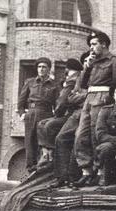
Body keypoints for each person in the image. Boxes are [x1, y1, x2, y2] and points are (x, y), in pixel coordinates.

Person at [73, 31, 116, 187]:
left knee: (95, 135)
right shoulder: (92, 62)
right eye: (90, 45)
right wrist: (87, 67)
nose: (91, 48)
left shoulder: (114, 61)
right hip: (89, 99)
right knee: (80, 135)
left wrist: (108, 101)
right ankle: (86, 171)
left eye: (94, 44)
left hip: (103, 98)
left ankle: (99, 172)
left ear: (103, 44)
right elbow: (83, 85)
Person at [50, 51, 91, 188]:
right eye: (85, 62)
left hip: (93, 112)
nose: (87, 64)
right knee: (61, 138)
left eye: (89, 61)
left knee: (78, 140)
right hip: (78, 112)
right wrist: (85, 95)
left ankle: (74, 177)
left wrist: (84, 95)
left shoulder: (98, 75)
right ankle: (61, 177)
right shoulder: (80, 79)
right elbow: (70, 98)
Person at [36, 58, 84, 169]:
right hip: (67, 113)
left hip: (70, 114)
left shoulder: (72, 81)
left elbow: (62, 101)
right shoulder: (71, 80)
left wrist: (57, 113)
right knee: (41, 124)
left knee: (49, 125)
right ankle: (46, 152)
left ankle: (50, 154)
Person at [18, 57, 59, 173]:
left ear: (49, 69)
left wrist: (55, 117)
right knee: (30, 141)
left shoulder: (53, 85)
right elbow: (21, 102)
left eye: (44, 67)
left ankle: (41, 168)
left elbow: (57, 104)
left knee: (43, 141)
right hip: (31, 113)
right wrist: (22, 114)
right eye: (39, 67)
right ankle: (30, 168)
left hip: (46, 114)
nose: (41, 69)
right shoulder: (30, 82)